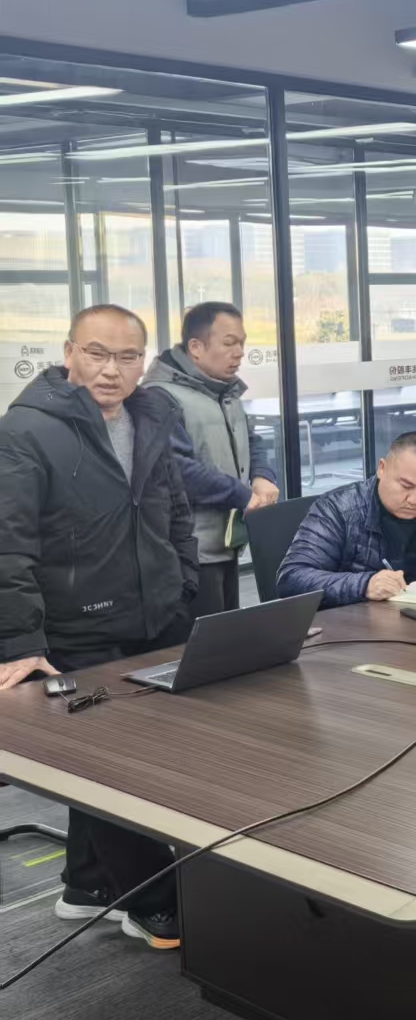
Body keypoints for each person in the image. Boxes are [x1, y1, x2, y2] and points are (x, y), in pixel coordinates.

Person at [0, 305, 198, 950]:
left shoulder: (153, 414)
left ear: (145, 361)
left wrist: (183, 580)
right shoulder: (27, 429)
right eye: (97, 353)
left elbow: (174, 506)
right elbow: (9, 544)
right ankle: (152, 902)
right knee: (115, 766)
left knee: (134, 755)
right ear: (69, 353)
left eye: (128, 356)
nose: (112, 370)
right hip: (78, 627)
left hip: (154, 611)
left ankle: (88, 884)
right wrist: (20, 643)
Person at [142, 301, 279, 618]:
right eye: (229, 343)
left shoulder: (222, 390)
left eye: (242, 343)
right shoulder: (160, 396)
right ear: (196, 347)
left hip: (225, 542)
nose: (239, 352)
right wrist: (242, 494)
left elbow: (250, 439)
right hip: (189, 553)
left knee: (229, 635)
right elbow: (177, 469)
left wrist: (262, 475)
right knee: (205, 640)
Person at [277, 431, 416, 607]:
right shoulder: (338, 509)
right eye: (405, 486)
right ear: (382, 468)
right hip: (360, 630)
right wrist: (365, 584)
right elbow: (292, 578)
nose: (414, 500)